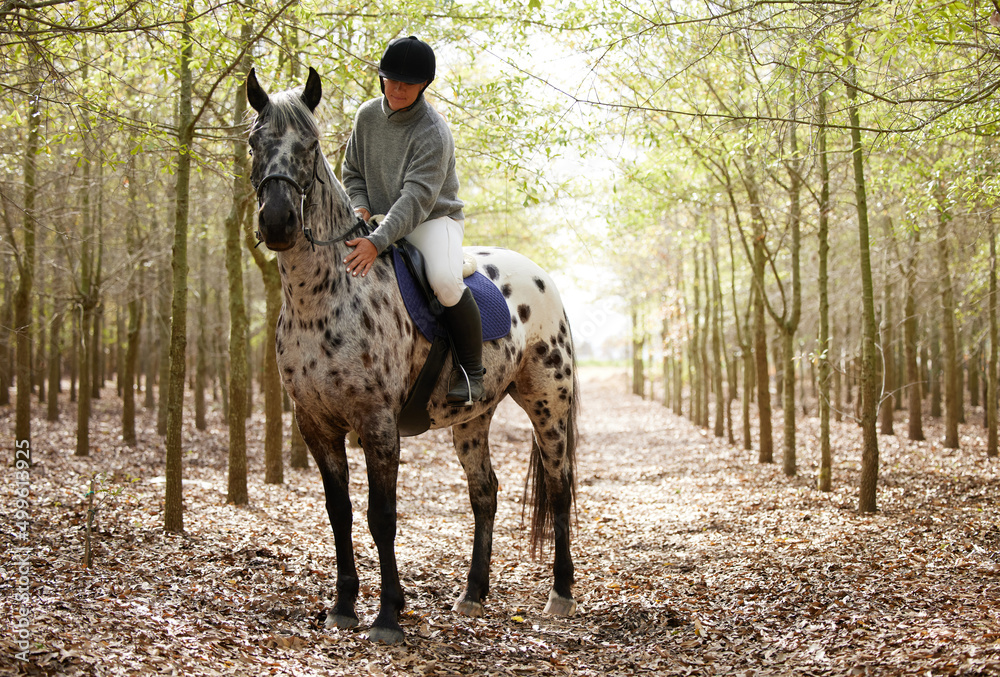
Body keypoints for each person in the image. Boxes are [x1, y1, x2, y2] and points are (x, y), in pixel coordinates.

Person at [342, 35, 485, 405]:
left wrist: (376, 241)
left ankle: (471, 372)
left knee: (445, 282)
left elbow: (415, 200)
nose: (397, 88)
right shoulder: (366, 116)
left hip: (431, 220)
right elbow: (352, 172)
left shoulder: (433, 132)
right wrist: (358, 207)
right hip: (375, 219)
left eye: (407, 83)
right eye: (391, 79)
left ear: (424, 85)